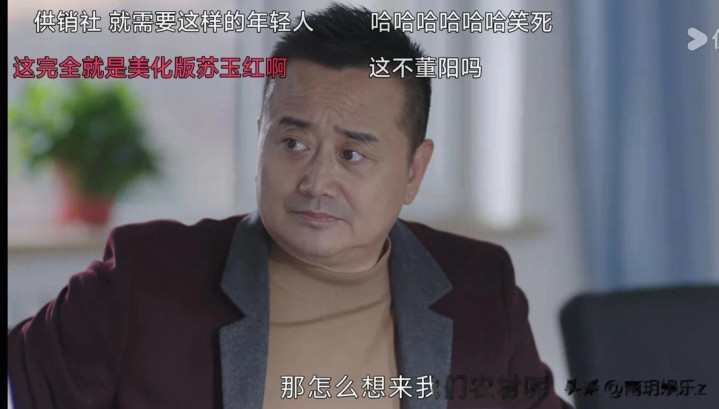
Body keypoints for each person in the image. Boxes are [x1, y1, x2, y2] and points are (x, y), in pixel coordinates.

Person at [8, 4, 573, 409]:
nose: (316, 181)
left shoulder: (479, 290)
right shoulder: (148, 274)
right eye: (293, 143)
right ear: (261, 137)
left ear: (413, 172)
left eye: (353, 154)